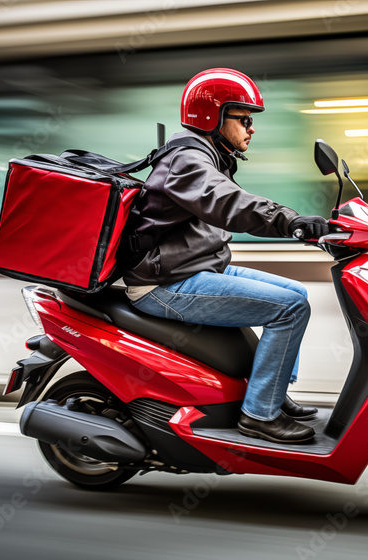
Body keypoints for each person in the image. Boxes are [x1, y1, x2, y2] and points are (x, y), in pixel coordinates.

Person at [123, 68, 327, 444]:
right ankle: (259, 415)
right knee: (290, 309)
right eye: (244, 119)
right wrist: (292, 222)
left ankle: (272, 394)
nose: (252, 128)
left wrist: (319, 229)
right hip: (165, 283)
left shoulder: (211, 155)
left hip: (193, 267)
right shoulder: (188, 160)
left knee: (297, 294)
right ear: (212, 117)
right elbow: (229, 203)